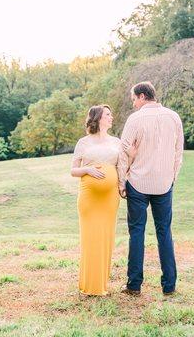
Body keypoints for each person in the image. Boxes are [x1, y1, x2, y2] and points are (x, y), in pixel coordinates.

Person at [117, 81, 184, 296]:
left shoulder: (135, 119)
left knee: (136, 231)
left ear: (143, 96)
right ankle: (169, 285)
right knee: (164, 231)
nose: (134, 104)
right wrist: (172, 177)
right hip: (164, 183)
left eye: (134, 99)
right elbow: (178, 152)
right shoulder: (174, 117)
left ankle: (134, 284)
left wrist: (121, 180)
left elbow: (123, 152)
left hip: (137, 182)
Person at [71, 104, 121, 296]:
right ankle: (89, 285)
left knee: (106, 238)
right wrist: (87, 169)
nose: (111, 117)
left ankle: (101, 284)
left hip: (110, 198)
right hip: (89, 198)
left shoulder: (116, 142)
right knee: (90, 239)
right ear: (98, 118)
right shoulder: (83, 142)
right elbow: (73, 170)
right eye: (108, 114)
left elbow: (121, 167)